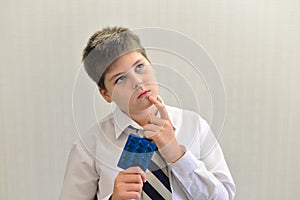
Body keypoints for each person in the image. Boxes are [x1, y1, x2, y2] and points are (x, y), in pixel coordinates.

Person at [60, 26, 236, 200]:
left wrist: (177, 156)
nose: (137, 82)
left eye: (139, 67)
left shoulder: (195, 126)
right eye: (120, 78)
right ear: (106, 93)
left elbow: (224, 197)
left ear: (151, 65)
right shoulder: (89, 147)